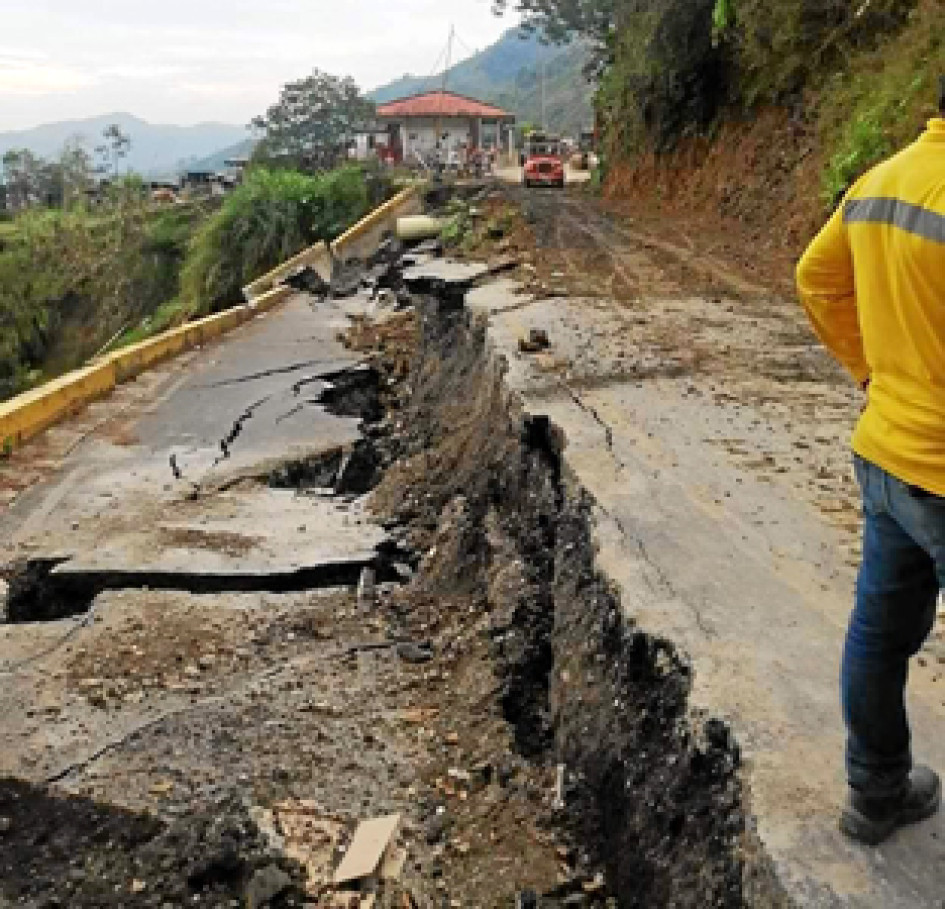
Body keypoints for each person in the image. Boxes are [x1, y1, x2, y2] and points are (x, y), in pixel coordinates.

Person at [795, 83, 945, 845]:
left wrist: (867, 373)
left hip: (885, 453)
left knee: (879, 635)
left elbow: (814, 278)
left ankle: (874, 791)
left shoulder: (880, 180)